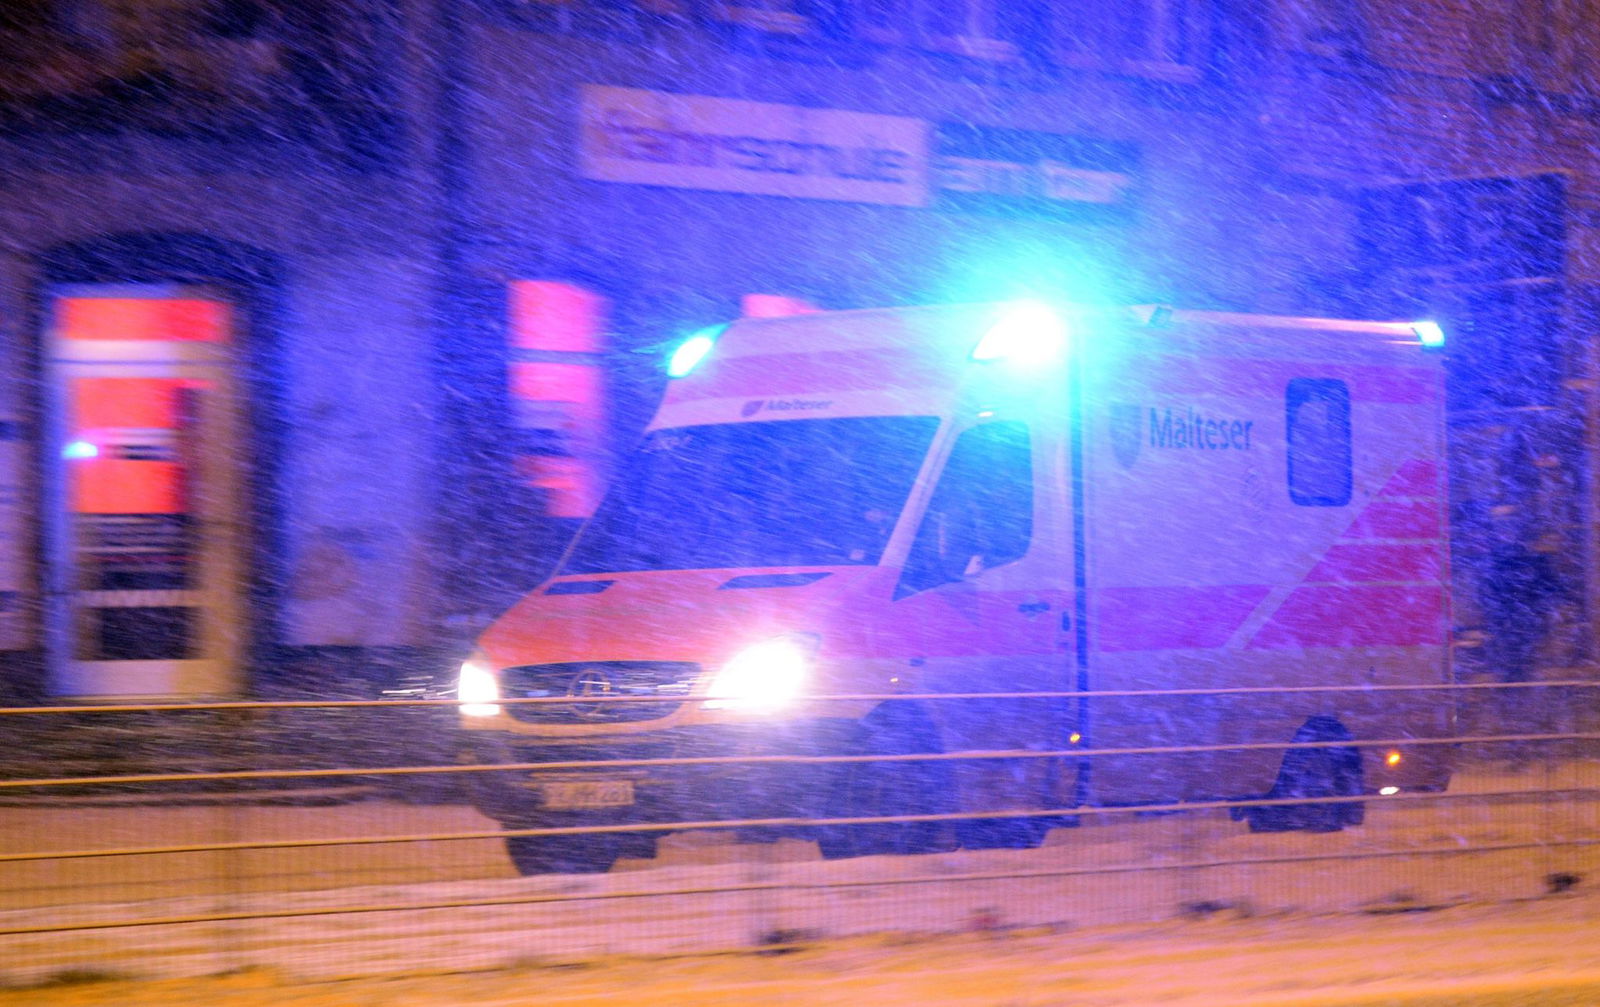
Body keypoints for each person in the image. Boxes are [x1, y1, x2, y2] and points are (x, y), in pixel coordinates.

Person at [1477, 539, 1564, 684]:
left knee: (1516, 647)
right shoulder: (1533, 565)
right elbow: (1551, 589)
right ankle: (1517, 674)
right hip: (1521, 616)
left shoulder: (1500, 567)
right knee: (1521, 647)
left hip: (1512, 616)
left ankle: (1514, 675)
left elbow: (1486, 592)